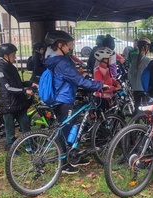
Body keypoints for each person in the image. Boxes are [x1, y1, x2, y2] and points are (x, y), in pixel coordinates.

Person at [44, 30, 106, 174]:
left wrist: (79, 75)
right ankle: (64, 163)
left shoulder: (54, 59)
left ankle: (73, 155)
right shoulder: (62, 62)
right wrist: (99, 85)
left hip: (60, 98)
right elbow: (78, 81)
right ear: (60, 45)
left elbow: (69, 77)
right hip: (64, 100)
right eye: (69, 44)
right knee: (64, 132)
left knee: (71, 125)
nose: (71, 46)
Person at [0, 43, 38, 150]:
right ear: (6, 56)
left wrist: (29, 83)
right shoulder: (0, 70)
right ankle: (11, 148)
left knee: (25, 125)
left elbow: (17, 83)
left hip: (19, 102)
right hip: (8, 104)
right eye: (13, 55)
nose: (15, 57)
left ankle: (30, 146)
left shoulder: (11, 67)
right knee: (10, 130)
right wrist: (24, 91)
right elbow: (8, 88)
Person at [93, 47, 122, 112]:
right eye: (109, 58)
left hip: (108, 98)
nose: (110, 59)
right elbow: (102, 87)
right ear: (104, 59)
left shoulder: (106, 68)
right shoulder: (97, 70)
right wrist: (115, 88)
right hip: (101, 99)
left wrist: (116, 83)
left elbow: (110, 79)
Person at [127, 37, 151, 113]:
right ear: (145, 47)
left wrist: (133, 84)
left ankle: (135, 122)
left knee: (137, 108)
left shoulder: (134, 58)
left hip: (135, 89)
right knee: (146, 109)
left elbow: (129, 73)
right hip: (144, 89)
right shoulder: (148, 60)